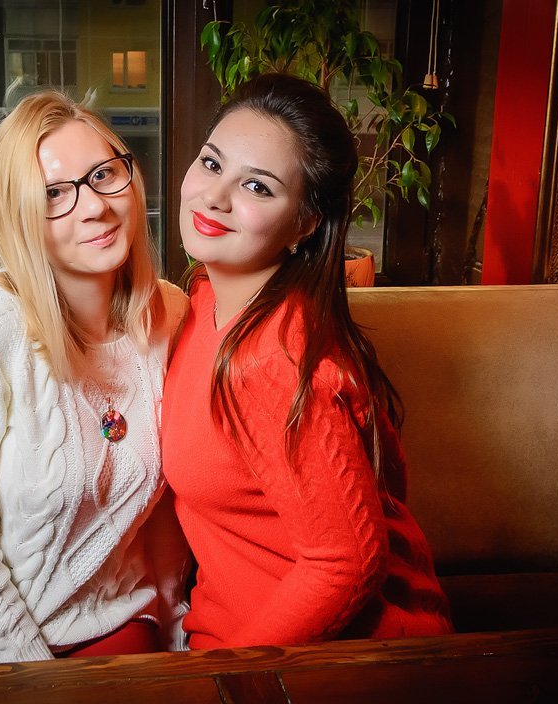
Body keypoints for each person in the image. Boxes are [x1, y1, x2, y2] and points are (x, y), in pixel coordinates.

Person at [0, 90, 191, 667]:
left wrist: (179, 632)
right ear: (18, 215)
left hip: (108, 617)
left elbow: (166, 510)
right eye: (53, 193)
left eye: (103, 175)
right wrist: (34, 679)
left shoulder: (171, 314)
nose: (94, 207)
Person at [161, 72, 453, 650]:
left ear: (306, 224)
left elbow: (346, 563)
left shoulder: (275, 359)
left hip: (321, 655)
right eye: (213, 163)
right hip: (221, 629)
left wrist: (235, 674)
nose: (215, 197)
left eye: (258, 186)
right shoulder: (203, 301)